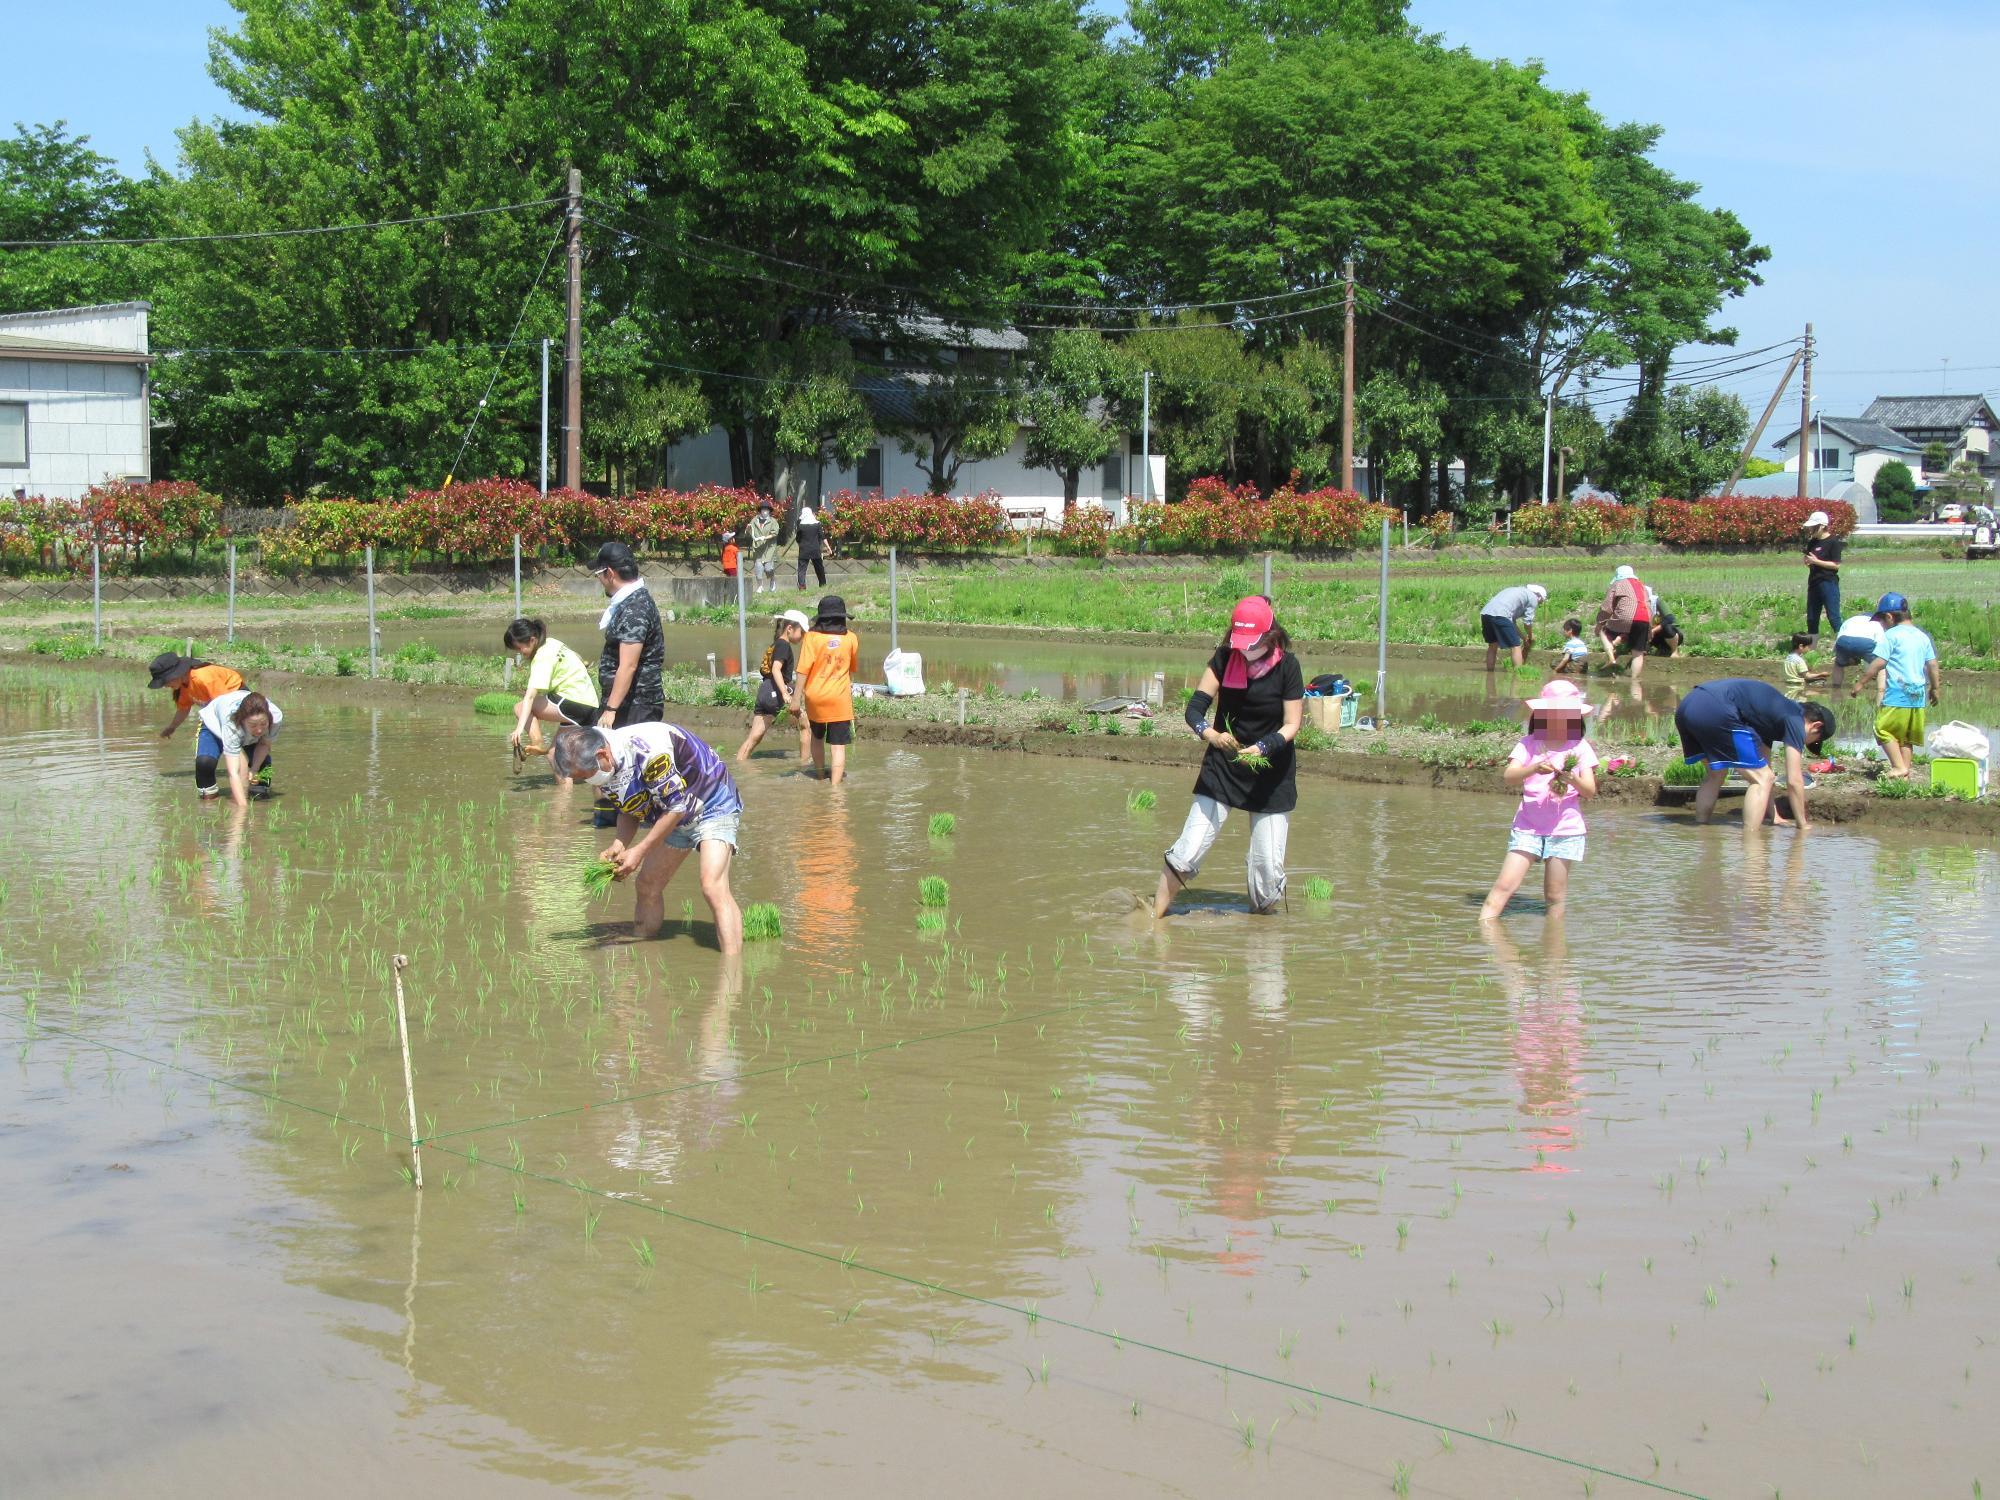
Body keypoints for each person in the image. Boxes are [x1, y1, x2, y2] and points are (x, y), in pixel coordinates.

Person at [1154, 595, 1305, 919]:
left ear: (1269, 636)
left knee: (1266, 868)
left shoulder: (1288, 667)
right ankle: (1154, 920)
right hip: (1224, 763)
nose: (1244, 650)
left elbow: (1292, 724)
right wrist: (1210, 734)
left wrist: (1264, 746)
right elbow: (1195, 708)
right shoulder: (1224, 658)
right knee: (1188, 849)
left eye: (1252, 643)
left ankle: (1263, 935)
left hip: (1271, 773)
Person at [551, 723, 744, 951]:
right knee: (647, 884)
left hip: (711, 801)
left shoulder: (650, 753)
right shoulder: (607, 765)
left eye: (586, 775)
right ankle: (643, 945)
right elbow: (629, 808)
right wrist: (619, 844)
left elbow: (677, 808)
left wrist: (639, 852)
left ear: (602, 754)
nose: (587, 781)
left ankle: (732, 976)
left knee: (712, 886)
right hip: (671, 811)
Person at [1479, 680, 1599, 922]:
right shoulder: (1529, 744)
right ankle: (1485, 936)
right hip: (1528, 827)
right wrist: (1533, 768)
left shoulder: (1580, 746)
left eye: (1567, 715)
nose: (1560, 721)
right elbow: (1509, 776)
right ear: (1542, 716)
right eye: (1554, 715)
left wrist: (1571, 778)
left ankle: (1554, 953)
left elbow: (1589, 791)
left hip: (1564, 830)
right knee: (1503, 887)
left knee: (1555, 896)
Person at [1674, 678, 1834, 830]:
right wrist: (1802, 824)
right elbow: (1794, 780)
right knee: (1762, 779)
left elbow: (1765, 767)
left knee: (1716, 774)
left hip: (1689, 704)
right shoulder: (1795, 720)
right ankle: (1752, 844)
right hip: (1717, 708)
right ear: (1815, 726)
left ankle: (1702, 831)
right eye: (1812, 741)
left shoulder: (1773, 715)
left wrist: (1774, 816)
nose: (1804, 743)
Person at [589, 540, 668, 827]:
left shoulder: (635, 606)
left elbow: (629, 664)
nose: (599, 582)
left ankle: (649, 828)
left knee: (634, 768)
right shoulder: (628, 602)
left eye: (598, 575)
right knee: (607, 762)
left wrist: (611, 709)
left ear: (609, 573)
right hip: (622, 699)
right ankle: (609, 823)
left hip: (635, 702)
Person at [1849, 592, 1940, 780]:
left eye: (1882, 620)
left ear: (1889, 617)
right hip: (1917, 695)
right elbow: (1932, 664)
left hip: (1898, 693)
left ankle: (1898, 767)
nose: (1882, 625)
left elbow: (1879, 662)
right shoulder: (1922, 637)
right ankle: (1904, 773)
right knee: (1905, 737)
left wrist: (1861, 682)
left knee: (1882, 729)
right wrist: (1935, 688)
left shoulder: (1891, 636)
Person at [149, 651, 247, 794]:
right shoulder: (183, 687)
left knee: (251, 755)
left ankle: (255, 789)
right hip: (213, 715)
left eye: (165, 681)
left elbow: (225, 707)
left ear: (176, 674)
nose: (165, 685)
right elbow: (184, 709)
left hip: (237, 709)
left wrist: (230, 742)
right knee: (204, 763)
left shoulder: (203, 678)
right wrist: (172, 727)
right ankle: (207, 805)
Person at [502, 617, 600, 750]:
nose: (520, 654)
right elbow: (578, 657)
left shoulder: (541, 657)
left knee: (519, 707)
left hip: (572, 702)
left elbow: (530, 697)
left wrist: (519, 729)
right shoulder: (552, 643)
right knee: (554, 755)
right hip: (591, 705)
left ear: (532, 640)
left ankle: (537, 742)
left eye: (520, 649)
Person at [794, 594, 859, 783]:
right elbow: (850, 671)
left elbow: (802, 670)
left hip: (815, 698)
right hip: (839, 699)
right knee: (838, 746)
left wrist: (796, 699)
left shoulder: (812, 638)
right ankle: (835, 788)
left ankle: (821, 776)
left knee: (817, 738)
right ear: (842, 617)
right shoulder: (851, 639)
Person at [736, 609, 808, 761]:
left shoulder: (776, 644)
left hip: (765, 690)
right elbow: (776, 669)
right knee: (806, 725)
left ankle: (739, 762)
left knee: (754, 738)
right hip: (774, 693)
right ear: (790, 629)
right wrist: (784, 693)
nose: (803, 636)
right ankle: (805, 764)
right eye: (801, 632)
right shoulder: (784, 646)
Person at [198, 688, 282, 808]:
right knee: (205, 763)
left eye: (263, 724)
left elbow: (264, 744)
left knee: (262, 769)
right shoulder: (231, 725)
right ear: (242, 720)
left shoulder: (276, 718)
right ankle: (209, 804)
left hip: (243, 729)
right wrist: (242, 809)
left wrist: (254, 769)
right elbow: (234, 773)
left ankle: (258, 803)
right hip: (215, 721)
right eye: (253, 725)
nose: (259, 730)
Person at [1594, 565, 1653, 680]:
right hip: (1644, 618)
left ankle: (1611, 658)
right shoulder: (1642, 586)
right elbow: (1648, 605)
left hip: (1624, 617)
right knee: (1638, 653)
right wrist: (1649, 629)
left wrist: (1599, 624)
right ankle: (1634, 682)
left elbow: (1607, 608)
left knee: (1603, 631)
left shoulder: (1617, 584)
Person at [1479, 583, 1547, 671]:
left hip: (1486, 614)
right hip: (1501, 614)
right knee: (1516, 646)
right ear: (1539, 596)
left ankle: (1490, 673)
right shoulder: (1533, 597)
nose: (1538, 604)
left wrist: (1523, 638)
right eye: (1540, 602)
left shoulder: (1516, 591)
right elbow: (1527, 623)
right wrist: (1530, 636)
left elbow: (1512, 623)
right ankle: (1519, 674)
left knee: (1492, 645)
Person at [1802, 510, 1843, 642]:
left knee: (1833, 617)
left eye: (1813, 527)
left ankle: (1845, 645)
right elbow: (1811, 562)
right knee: (1812, 618)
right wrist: (1809, 562)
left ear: (1822, 526)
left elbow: (1836, 565)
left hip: (1828, 583)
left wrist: (1816, 561)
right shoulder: (1812, 542)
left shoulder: (1833, 542)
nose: (1811, 530)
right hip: (1814, 583)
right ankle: (1812, 647)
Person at [1828, 603, 1890, 689]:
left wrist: (1840, 657)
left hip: (1843, 640)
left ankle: (1836, 688)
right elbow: (1881, 645)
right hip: (1865, 642)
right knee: (1881, 666)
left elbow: (1838, 640)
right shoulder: (1878, 623)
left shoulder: (1851, 619)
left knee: (1838, 665)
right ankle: (1881, 690)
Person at [746, 500, 781, 596]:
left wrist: (765, 537)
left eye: (766, 509)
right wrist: (748, 529)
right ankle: (760, 586)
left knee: (768, 568)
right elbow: (750, 531)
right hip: (758, 548)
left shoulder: (773, 521)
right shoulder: (754, 520)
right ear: (760, 510)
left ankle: (772, 580)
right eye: (763, 509)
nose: (765, 511)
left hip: (769, 549)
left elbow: (775, 533)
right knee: (758, 568)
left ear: (769, 511)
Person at [1782, 633, 1827, 702]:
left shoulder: (1788, 657)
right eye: (1808, 647)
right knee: (1822, 681)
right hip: (1798, 685)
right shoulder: (1799, 660)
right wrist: (1820, 674)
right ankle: (1815, 692)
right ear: (1801, 646)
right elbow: (1807, 676)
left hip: (1788, 684)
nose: (1809, 649)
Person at [794, 504, 828, 589]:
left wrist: (800, 543)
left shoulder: (800, 524)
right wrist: (828, 547)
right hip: (815, 549)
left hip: (804, 550)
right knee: (819, 568)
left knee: (802, 569)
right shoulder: (817, 524)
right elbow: (822, 536)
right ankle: (822, 584)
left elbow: (798, 538)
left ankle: (802, 586)